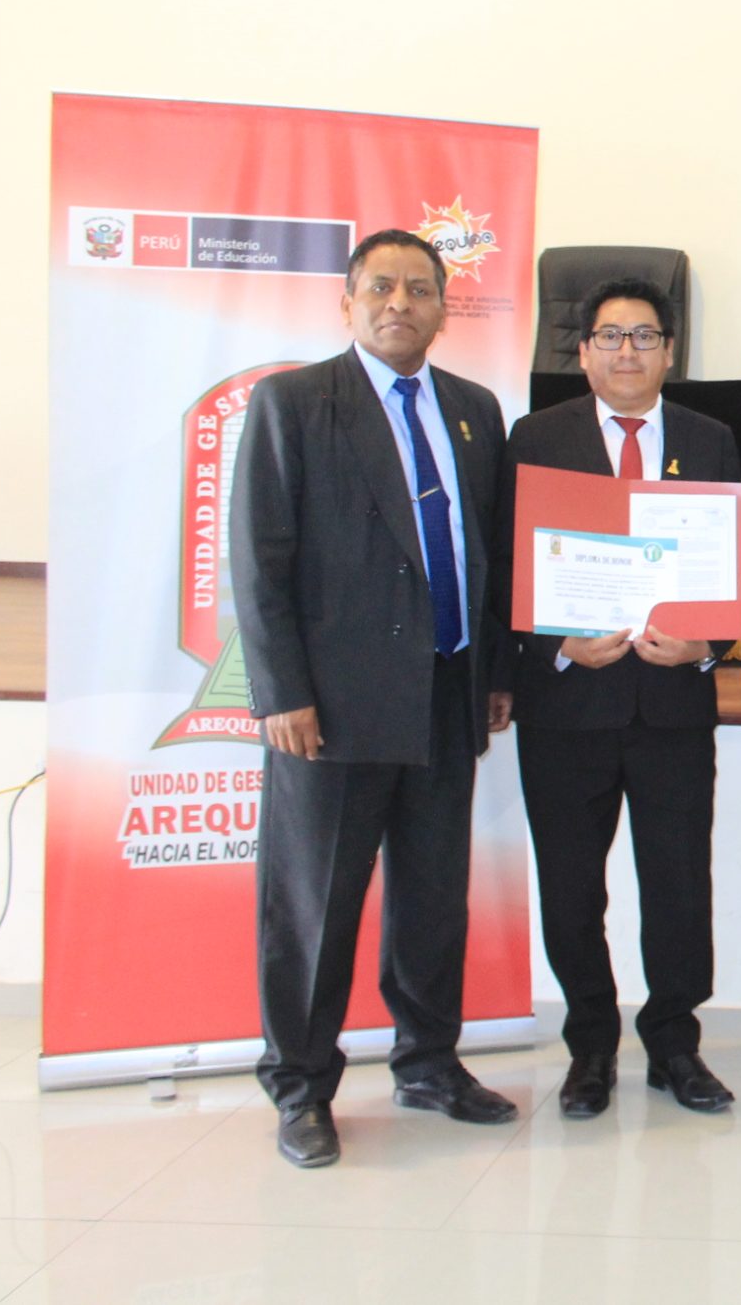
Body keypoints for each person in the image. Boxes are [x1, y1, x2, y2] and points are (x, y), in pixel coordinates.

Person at [228, 229, 515, 1169]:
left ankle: (428, 1063)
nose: (401, 302)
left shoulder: (474, 410)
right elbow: (259, 560)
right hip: (333, 711)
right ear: (347, 302)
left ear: (443, 308)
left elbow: (488, 553)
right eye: (381, 286)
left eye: (420, 288)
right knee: (314, 908)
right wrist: (282, 692)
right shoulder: (294, 402)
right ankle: (302, 1087)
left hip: (446, 695)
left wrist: (495, 673)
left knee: (432, 900)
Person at [497, 277, 740, 1119]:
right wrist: (554, 644)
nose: (627, 350)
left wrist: (710, 645)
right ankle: (591, 1046)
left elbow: (736, 563)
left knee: (679, 886)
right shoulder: (536, 436)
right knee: (572, 890)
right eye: (610, 335)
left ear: (670, 351)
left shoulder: (710, 439)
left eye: (644, 336)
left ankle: (674, 1043)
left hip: (672, 707)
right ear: (583, 352)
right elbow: (504, 561)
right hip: (567, 707)